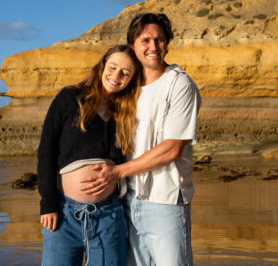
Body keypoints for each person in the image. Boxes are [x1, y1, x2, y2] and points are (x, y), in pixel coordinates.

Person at [81, 13, 201, 266]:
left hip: (165, 199)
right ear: (133, 44)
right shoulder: (127, 87)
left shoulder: (179, 85)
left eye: (159, 39)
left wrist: (116, 172)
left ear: (167, 43)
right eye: (145, 40)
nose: (153, 46)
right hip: (126, 199)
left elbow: (172, 149)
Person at [37, 44, 143, 266]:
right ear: (102, 65)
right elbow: (46, 151)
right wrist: (47, 203)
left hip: (109, 216)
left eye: (126, 72)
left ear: (132, 79)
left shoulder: (127, 112)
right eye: (112, 67)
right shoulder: (69, 98)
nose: (116, 75)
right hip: (63, 215)